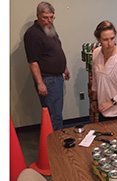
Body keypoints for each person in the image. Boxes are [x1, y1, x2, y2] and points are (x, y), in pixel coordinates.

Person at [24, 2, 70, 130]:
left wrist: (64, 67)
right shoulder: (32, 34)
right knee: (53, 115)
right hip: (48, 79)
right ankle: (55, 144)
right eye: (45, 17)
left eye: (51, 17)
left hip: (57, 77)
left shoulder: (49, 28)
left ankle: (57, 139)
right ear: (38, 15)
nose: (49, 20)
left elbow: (56, 49)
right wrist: (40, 83)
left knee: (57, 113)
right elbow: (33, 61)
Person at [90, 20, 117, 122]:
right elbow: (95, 80)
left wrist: (112, 102)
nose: (110, 43)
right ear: (99, 39)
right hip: (103, 111)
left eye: (112, 38)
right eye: (105, 39)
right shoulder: (96, 53)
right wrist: (94, 99)